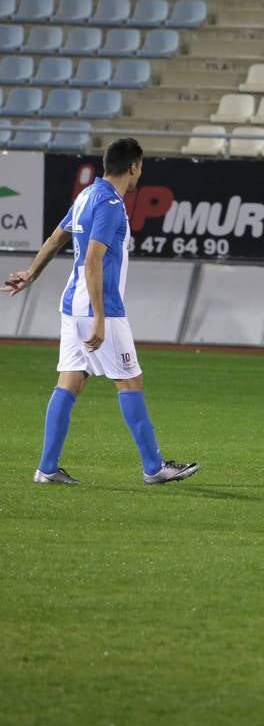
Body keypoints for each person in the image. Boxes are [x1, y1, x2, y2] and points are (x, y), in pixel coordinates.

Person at [3, 138, 198, 486]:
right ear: (134, 167)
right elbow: (93, 260)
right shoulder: (109, 202)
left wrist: (31, 273)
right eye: (141, 168)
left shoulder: (86, 196)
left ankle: (47, 469)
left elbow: (55, 239)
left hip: (71, 304)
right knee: (129, 379)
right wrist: (100, 319)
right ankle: (154, 467)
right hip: (99, 306)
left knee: (71, 380)